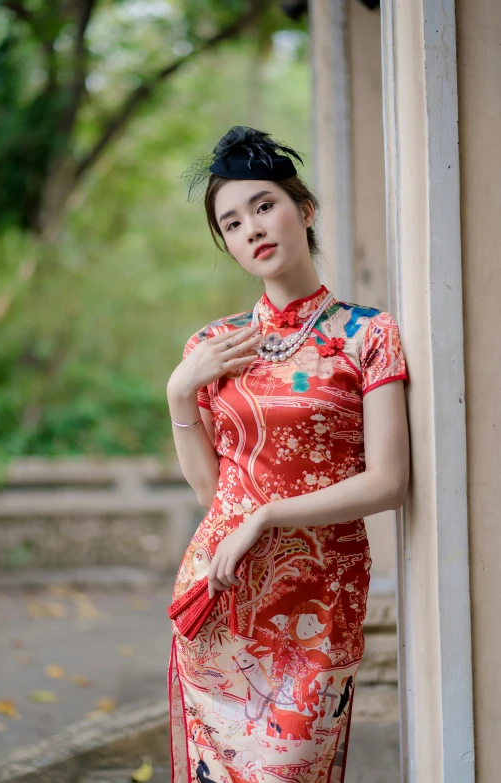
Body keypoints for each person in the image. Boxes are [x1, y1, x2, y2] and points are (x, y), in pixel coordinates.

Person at [166, 126, 410, 783]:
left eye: (264, 205)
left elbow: (389, 480)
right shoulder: (213, 346)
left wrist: (268, 515)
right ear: (227, 244)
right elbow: (209, 492)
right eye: (232, 222)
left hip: (319, 601)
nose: (252, 227)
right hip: (223, 604)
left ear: (304, 209)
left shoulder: (366, 335)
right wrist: (179, 392)